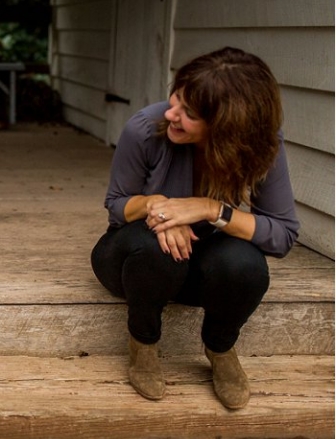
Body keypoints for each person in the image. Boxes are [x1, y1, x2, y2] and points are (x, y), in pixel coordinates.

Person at [90, 47, 299, 409]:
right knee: (156, 248)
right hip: (133, 260)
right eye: (176, 98)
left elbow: (282, 234)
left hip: (203, 265)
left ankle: (220, 348)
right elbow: (117, 205)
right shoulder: (144, 128)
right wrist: (158, 207)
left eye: (188, 113)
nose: (171, 113)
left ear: (228, 126)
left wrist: (210, 209)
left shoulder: (261, 146)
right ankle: (143, 344)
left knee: (246, 265)